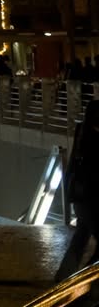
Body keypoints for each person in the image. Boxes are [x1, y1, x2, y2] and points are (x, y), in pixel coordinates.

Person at [55, 98, 99, 284]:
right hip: (93, 197)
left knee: (81, 237)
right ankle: (85, 282)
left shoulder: (81, 131)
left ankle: (63, 278)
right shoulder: (96, 137)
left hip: (80, 195)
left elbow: (74, 160)